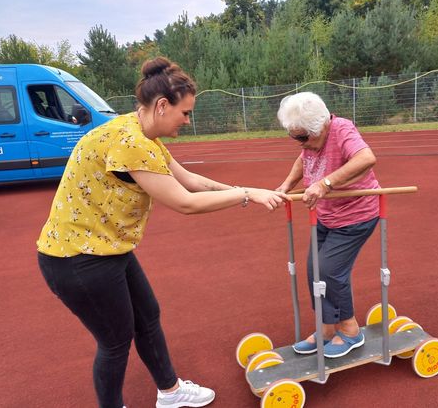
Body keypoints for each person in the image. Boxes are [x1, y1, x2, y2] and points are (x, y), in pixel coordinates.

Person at [36, 56, 288, 408]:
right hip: (77, 258)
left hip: (108, 249)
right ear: (162, 105)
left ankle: (169, 392)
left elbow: (192, 180)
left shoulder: (141, 131)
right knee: (115, 341)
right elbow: (185, 202)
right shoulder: (131, 142)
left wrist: (248, 189)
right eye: (185, 113)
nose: (188, 120)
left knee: (147, 316)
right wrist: (246, 195)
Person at [275, 92, 380, 359]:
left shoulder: (341, 129)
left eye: (302, 138)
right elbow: (303, 159)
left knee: (331, 271)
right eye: (294, 137)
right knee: (314, 271)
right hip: (326, 216)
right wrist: (287, 185)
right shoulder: (310, 141)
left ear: (320, 127)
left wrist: (325, 184)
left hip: (356, 215)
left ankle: (350, 330)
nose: (300, 143)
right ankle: (325, 330)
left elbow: (366, 158)